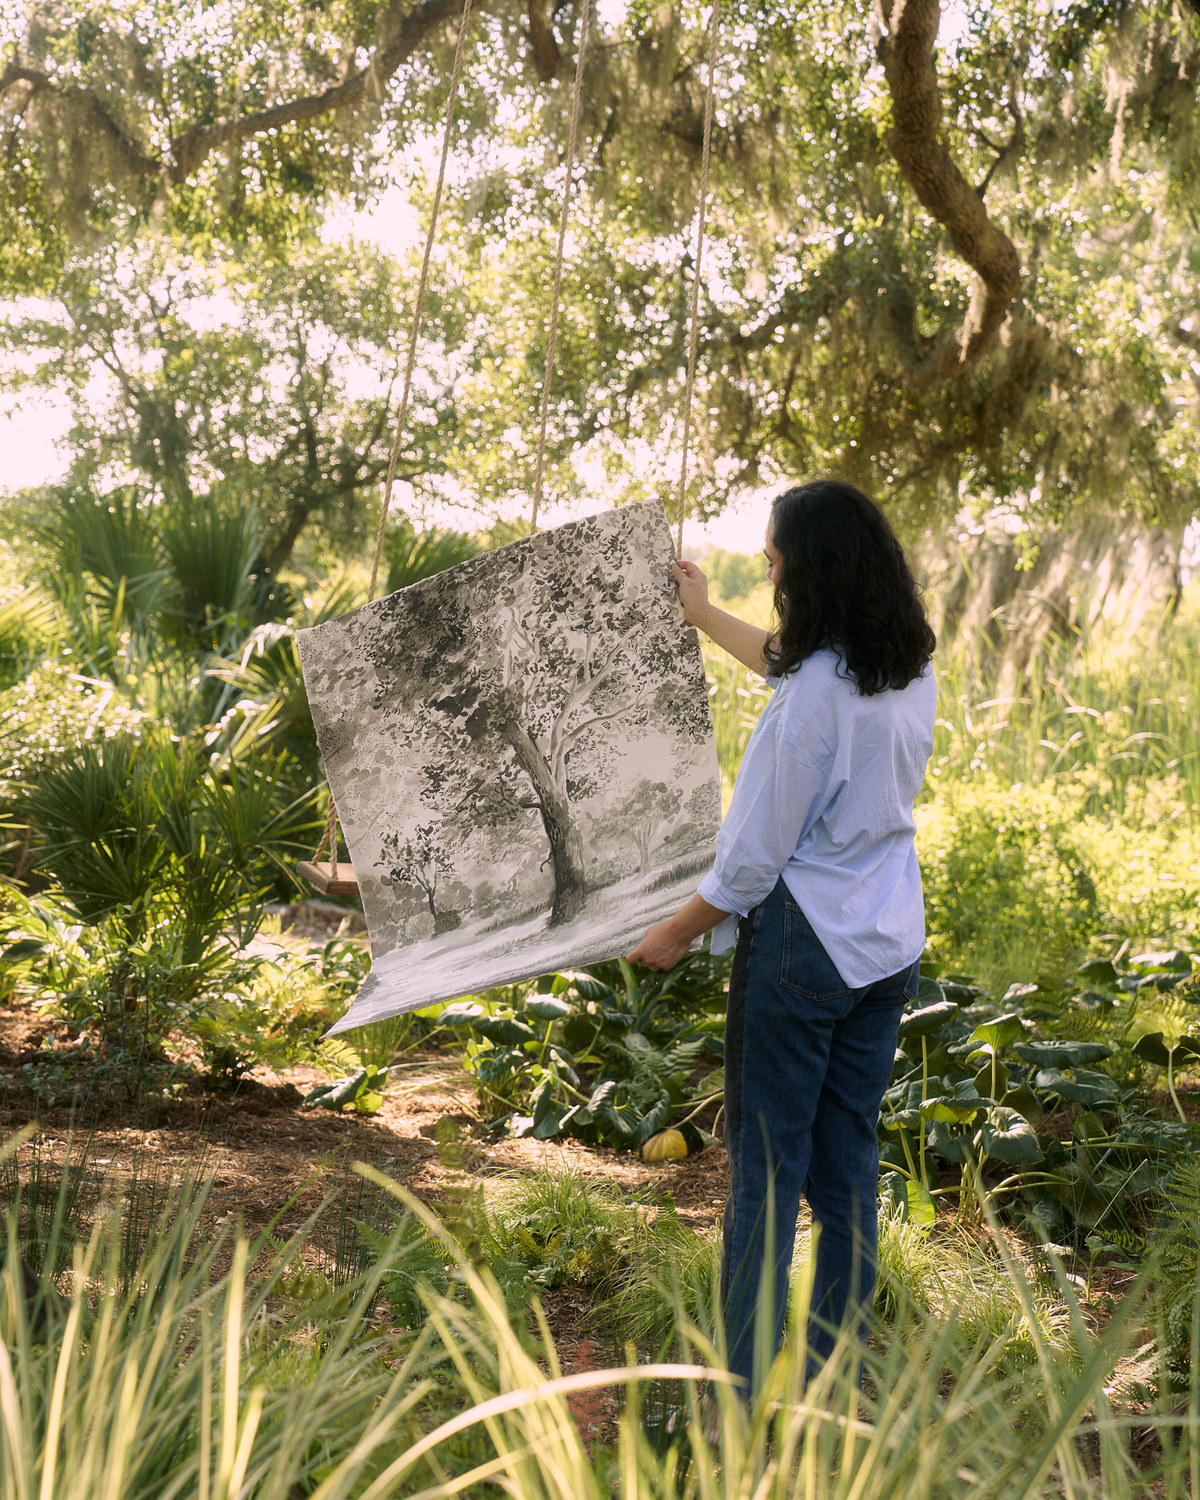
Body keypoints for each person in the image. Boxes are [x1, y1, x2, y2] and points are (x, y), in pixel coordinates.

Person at [627, 478, 937, 1395]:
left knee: (765, 1172)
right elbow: (790, 663)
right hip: (885, 943)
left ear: (814, 571)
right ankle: (838, 1379)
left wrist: (675, 934)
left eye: (775, 562)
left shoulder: (809, 705)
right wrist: (704, 614)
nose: (771, 575)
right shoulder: (907, 662)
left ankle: (741, 1395)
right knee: (845, 1165)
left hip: (804, 948)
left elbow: (749, 866)